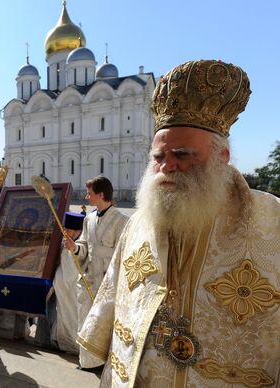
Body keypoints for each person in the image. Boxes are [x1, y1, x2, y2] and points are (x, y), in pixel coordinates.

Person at [77, 60, 280, 387]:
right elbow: (115, 293)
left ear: (222, 157)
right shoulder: (140, 222)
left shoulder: (273, 222)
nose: (166, 166)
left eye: (183, 155)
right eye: (158, 157)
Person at [65, 176, 129, 370]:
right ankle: (88, 361)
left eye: (89, 193)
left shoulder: (122, 220)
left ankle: (107, 363)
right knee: (85, 319)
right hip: (89, 279)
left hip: (109, 282)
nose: (86, 196)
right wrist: (74, 247)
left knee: (105, 323)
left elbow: (124, 253)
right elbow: (84, 245)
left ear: (101, 195)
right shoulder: (89, 219)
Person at [35, 211, 86, 352]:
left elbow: (79, 258)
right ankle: (51, 340)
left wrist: (73, 248)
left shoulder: (82, 245)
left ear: (78, 231)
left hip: (72, 290)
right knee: (52, 313)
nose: (66, 233)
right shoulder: (62, 241)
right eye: (64, 229)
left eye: (69, 230)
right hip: (58, 286)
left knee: (70, 317)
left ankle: (70, 344)